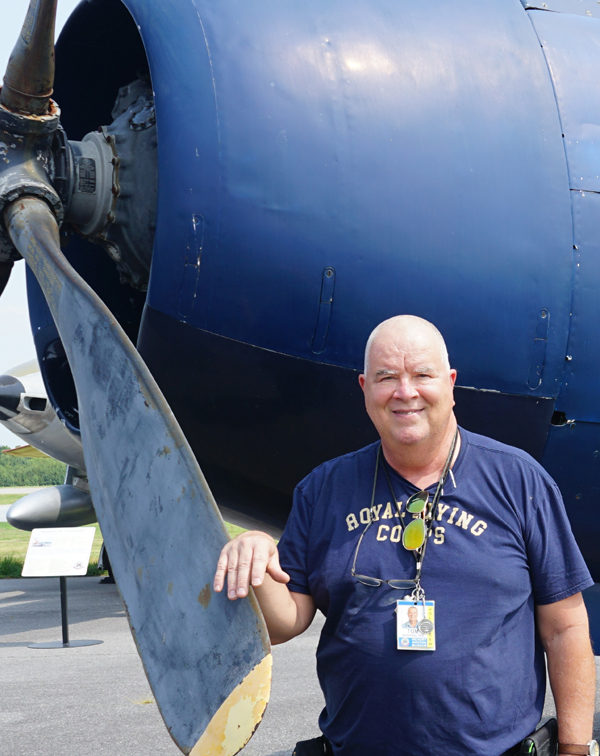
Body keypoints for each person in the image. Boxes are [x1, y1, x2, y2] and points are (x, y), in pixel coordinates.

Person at [214, 315, 596, 756]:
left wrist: (575, 748)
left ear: (450, 384)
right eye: (386, 377)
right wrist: (258, 557)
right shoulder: (323, 490)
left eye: (422, 375)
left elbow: (565, 627)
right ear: (364, 389)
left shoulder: (519, 481)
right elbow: (286, 623)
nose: (405, 392)